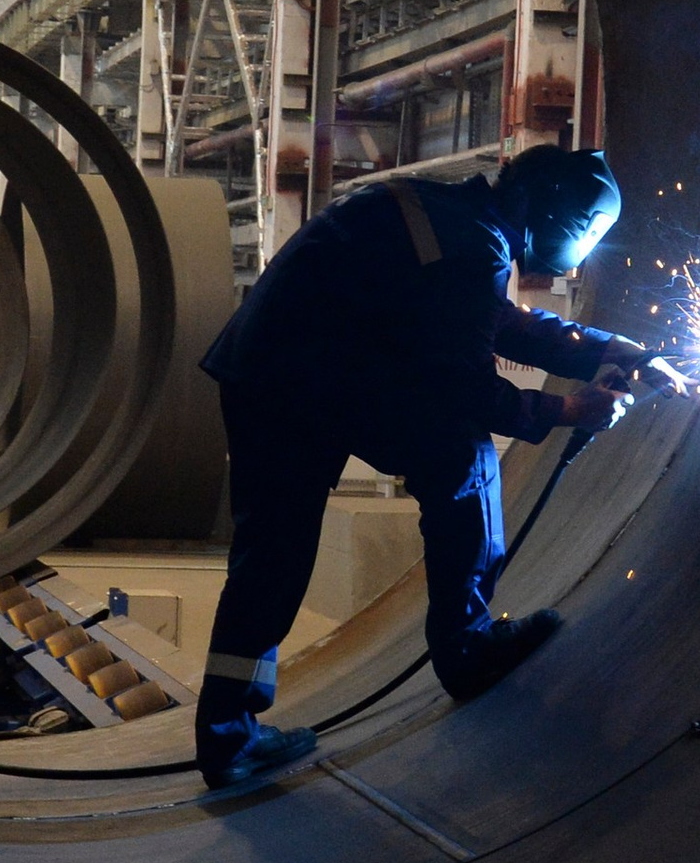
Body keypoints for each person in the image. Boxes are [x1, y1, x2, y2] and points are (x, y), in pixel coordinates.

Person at [193, 144, 661, 790]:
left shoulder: (450, 214)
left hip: (285, 375)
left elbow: (496, 322)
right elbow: (461, 387)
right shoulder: (471, 245)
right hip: (309, 387)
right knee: (461, 463)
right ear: (560, 215)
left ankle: (227, 735)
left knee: (269, 555)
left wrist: (622, 351)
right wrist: (569, 408)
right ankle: (465, 651)